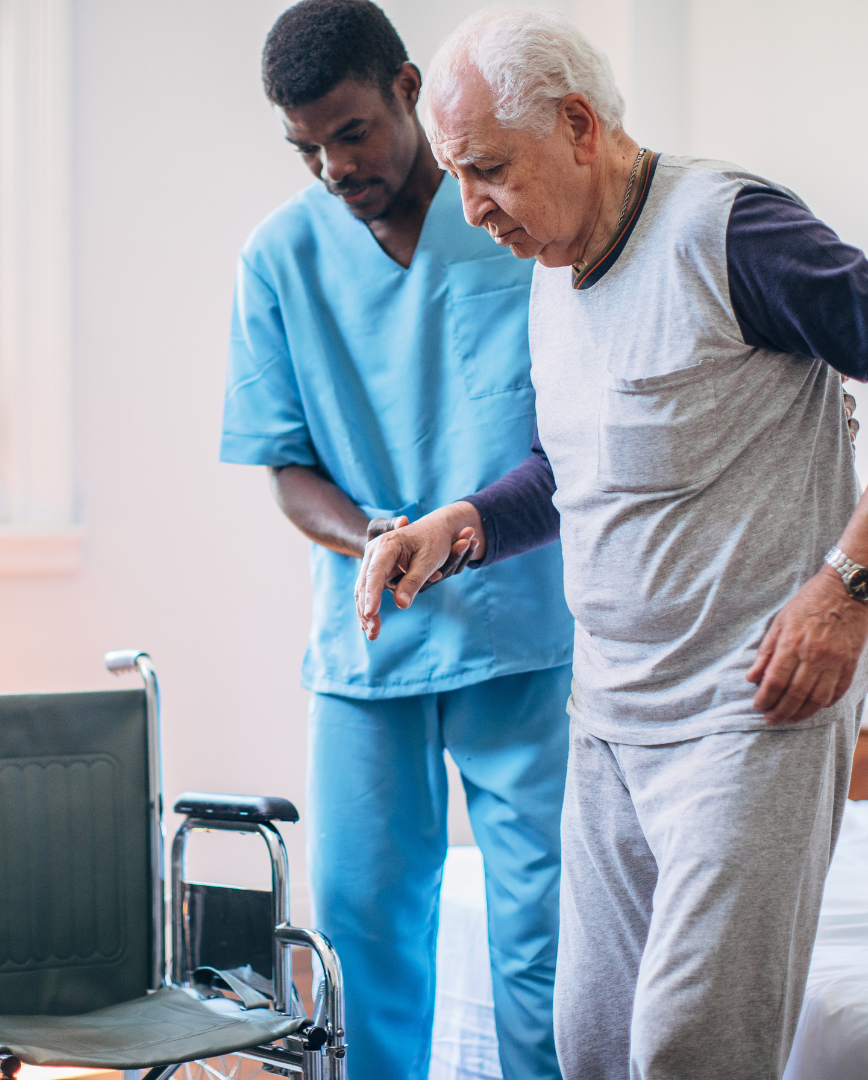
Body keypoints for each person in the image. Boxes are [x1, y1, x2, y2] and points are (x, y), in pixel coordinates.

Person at [353, 8, 868, 1079]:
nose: (470, 205)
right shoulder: (551, 268)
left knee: (692, 1051)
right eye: (456, 172)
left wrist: (848, 584)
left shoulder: (730, 233)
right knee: (586, 1046)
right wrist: (466, 527)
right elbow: (583, 468)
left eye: (487, 167)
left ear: (579, 126)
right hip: (612, 721)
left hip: (751, 714)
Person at [219, 2, 575, 1077]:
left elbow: (579, 438)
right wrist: (377, 535)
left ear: (409, 90)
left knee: (542, 936)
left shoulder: (515, 223)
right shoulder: (280, 258)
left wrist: (451, 536)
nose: (332, 166)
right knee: (366, 936)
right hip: (369, 641)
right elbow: (286, 464)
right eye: (307, 147)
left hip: (520, 630)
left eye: (352, 132)